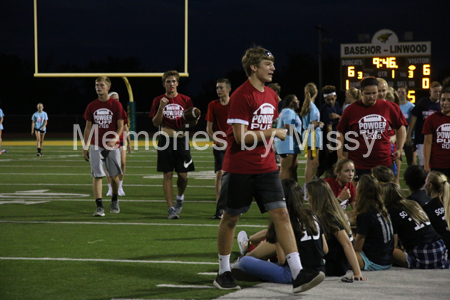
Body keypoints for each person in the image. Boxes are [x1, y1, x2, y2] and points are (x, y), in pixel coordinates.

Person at [214, 46, 324, 293]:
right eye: (267, 64)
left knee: (283, 215)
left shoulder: (272, 96)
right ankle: (223, 272)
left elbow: (261, 133)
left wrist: (273, 152)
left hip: (266, 168)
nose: (273, 67)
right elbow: (241, 137)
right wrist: (274, 132)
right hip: (240, 167)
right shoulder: (242, 95)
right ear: (254, 67)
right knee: (231, 219)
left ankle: (298, 274)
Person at [234, 179, 330, 283]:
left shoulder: (284, 221)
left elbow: (282, 260)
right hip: (319, 271)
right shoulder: (313, 216)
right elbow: (325, 249)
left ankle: (252, 264)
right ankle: (248, 249)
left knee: (244, 261)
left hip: (293, 274)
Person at [336, 77, 407, 184]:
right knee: (360, 197)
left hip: (384, 161)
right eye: (368, 93)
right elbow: (340, 131)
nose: (372, 96)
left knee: (386, 196)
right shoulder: (351, 109)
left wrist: (400, 148)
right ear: (361, 92)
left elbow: (400, 127)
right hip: (359, 162)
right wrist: (340, 154)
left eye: (374, 93)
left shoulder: (387, 107)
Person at [149, 70, 199, 219]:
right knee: (168, 174)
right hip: (165, 139)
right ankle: (170, 208)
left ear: (177, 83)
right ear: (164, 84)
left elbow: (192, 123)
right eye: (168, 81)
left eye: (173, 81)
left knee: (183, 176)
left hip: (182, 140)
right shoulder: (158, 99)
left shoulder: (186, 99)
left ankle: (180, 197)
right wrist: (161, 108)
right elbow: (155, 123)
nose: (171, 84)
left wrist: (195, 117)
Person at [382, 182, 449, 269]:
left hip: (424, 254)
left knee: (388, 249)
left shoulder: (391, 213)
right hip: (441, 249)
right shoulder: (413, 204)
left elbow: (393, 244)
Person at [307, 179, 366, 279]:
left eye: (308, 195)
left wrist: (357, 273)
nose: (307, 199)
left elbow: (346, 243)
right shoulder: (331, 211)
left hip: (334, 266)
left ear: (316, 198)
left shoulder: (329, 216)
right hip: (336, 262)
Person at [83, 76, 125, 217]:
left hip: (113, 145)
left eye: (101, 85)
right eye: (96, 85)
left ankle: (114, 199)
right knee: (97, 175)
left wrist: (114, 139)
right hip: (96, 144)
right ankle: (99, 206)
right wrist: (85, 146)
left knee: (113, 176)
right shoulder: (91, 106)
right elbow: (88, 127)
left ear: (108, 87)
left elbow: (121, 126)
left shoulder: (116, 105)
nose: (98, 87)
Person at [353, 175, 394, 271]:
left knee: (343, 249)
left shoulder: (365, 214)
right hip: (388, 260)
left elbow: (357, 249)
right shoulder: (382, 209)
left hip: (374, 262)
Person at [206, 78, 231, 219]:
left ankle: (234, 207)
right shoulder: (213, 105)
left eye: (221, 88)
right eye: (217, 88)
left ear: (228, 89)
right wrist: (219, 141)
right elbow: (209, 129)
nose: (218, 90)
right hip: (219, 145)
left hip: (234, 145)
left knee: (236, 176)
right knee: (220, 174)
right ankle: (219, 208)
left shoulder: (235, 104)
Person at [406, 81, 442, 167]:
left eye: (439, 92)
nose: (437, 93)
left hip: (438, 139)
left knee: (437, 163)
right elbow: (414, 117)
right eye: (435, 91)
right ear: (430, 92)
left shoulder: (443, 104)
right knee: (423, 163)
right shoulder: (423, 102)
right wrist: (409, 134)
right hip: (422, 138)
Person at [106, 92, 131, 197]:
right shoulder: (106, 112)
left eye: (118, 99)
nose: (117, 100)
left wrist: (129, 142)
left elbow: (125, 128)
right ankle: (110, 188)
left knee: (123, 162)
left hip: (120, 140)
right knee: (108, 166)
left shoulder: (121, 111)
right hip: (109, 140)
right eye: (114, 99)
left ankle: (120, 185)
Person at [423, 82, 450, 178]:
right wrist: (426, 163)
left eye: (448, 100)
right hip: (437, 165)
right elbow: (428, 142)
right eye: (443, 100)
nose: (445, 103)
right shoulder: (431, 119)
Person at [300, 83, 323, 188]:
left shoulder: (308, 104)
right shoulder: (312, 107)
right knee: (312, 163)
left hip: (309, 135)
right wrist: (320, 124)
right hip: (312, 136)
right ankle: (307, 188)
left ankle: (308, 186)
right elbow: (313, 124)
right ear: (316, 92)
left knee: (314, 163)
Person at [274, 94, 302, 180]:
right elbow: (287, 125)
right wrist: (298, 136)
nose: (298, 102)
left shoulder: (286, 111)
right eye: (296, 101)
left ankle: (294, 190)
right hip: (287, 144)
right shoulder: (289, 111)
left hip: (290, 144)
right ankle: (283, 191)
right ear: (291, 103)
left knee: (293, 168)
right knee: (286, 169)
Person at [319, 85, 342, 178]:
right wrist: (330, 144)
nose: (331, 101)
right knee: (328, 166)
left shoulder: (337, 104)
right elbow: (329, 127)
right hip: (329, 140)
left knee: (333, 165)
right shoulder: (326, 109)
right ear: (324, 99)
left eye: (332, 99)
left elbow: (342, 118)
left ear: (335, 97)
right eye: (328, 100)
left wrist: (338, 116)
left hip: (336, 138)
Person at [424, 171, 450, 250]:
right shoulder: (447, 203)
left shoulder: (428, 208)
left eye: (425, 182)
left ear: (430, 186)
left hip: (442, 251)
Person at [398, 85, 416, 166]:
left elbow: (413, 122)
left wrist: (409, 136)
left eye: (403, 92)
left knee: (411, 161)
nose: (400, 94)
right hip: (398, 137)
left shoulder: (411, 106)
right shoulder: (395, 105)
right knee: (397, 158)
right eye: (399, 92)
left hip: (409, 137)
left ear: (406, 94)